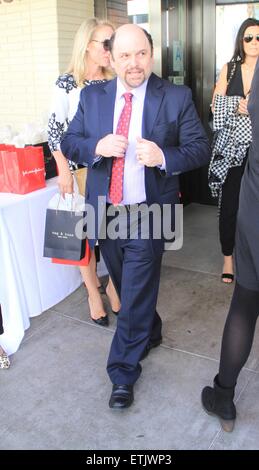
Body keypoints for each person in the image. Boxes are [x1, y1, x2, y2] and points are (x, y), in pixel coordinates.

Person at [61, 24, 210, 409]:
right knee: (130, 286)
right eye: (125, 55)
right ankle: (152, 329)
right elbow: (68, 142)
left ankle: (123, 372)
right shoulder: (93, 98)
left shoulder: (175, 96)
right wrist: (96, 145)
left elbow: (199, 148)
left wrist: (163, 156)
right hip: (105, 211)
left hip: (151, 212)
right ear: (111, 57)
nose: (134, 63)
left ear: (151, 53)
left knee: (135, 290)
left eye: (141, 54)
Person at [48, 18, 120, 326]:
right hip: (79, 171)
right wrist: (63, 171)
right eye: (106, 43)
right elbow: (54, 130)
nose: (111, 49)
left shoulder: (116, 80)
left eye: (113, 42)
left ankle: (115, 287)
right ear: (86, 46)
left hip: (114, 171)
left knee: (118, 234)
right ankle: (93, 292)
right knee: (84, 236)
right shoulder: (67, 83)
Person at [202, 56, 259, 433]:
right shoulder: (234, 68)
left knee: (245, 300)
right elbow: (217, 113)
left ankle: (224, 396)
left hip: (256, 207)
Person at [209, 18, 259, 284]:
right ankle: (228, 257)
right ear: (241, 41)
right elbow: (215, 107)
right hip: (233, 148)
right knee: (230, 205)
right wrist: (238, 104)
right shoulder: (229, 70)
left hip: (258, 147)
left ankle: (252, 258)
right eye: (248, 37)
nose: (253, 42)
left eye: (258, 37)